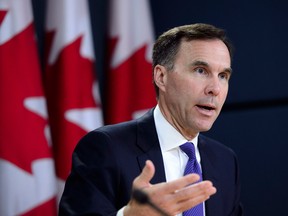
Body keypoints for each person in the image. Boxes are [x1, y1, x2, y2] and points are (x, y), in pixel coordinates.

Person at [59, 23, 243, 216]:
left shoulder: (225, 161)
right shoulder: (106, 148)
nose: (215, 88)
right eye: (200, 70)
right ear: (161, 77)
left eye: (223, 75)